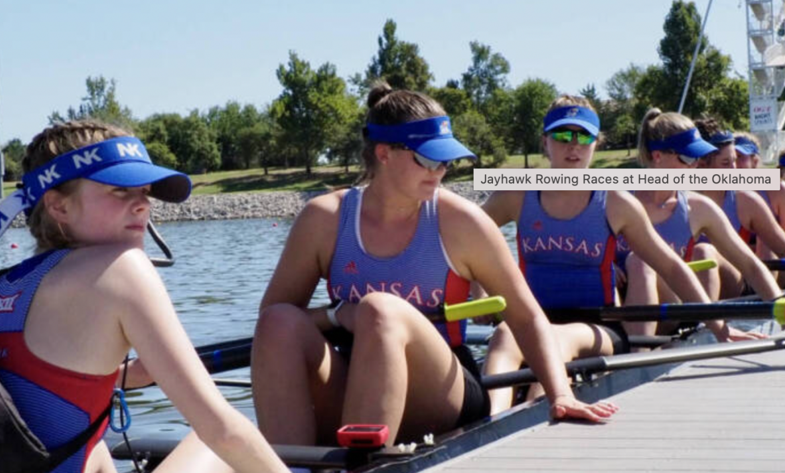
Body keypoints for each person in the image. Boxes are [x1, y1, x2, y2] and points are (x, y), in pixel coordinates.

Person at [250, 84, 615, 448]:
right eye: (428, 159)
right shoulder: (324, 218)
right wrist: (339, 316)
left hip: (444, 392)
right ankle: (288, 463)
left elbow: (527, 317)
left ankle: (360, 461)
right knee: (278, 323)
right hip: (351, 372)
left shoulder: (461, 222)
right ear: (384, 153)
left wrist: (560, 396)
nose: (440, 171)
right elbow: (277, 317)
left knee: (381, 310)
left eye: (446, 160)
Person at [0, 120, 288, 473]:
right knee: (217, 445)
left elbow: (43, 388)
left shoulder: (0, 287)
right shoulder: (123, 269)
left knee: (96, 450)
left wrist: (124, 375)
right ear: (59, 207)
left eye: (145, 191)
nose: (143, 206)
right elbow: (223, 433)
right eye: (120, 191)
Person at [479, 98, 750, 413]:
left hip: (599, 326)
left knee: (552, 338)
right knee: (503, 334)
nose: (574, 146)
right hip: (533, 321)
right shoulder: (516, 193)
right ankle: (491, 421)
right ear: (545, 142)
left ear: (596, 143)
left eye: (584, 137)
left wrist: (719, 327)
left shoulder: (617, 202)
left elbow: (673, 267)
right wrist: (478, 286)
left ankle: (538, 412)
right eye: (563, 136)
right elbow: (463, 240)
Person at [624, 110, 782, 337]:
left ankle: (639, 358)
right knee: (638, 263)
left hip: (673, 308)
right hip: (618, 310)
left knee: (643, 262)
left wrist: (783, 309)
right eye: (688, 158)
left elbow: (750, 265)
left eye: (698, 158)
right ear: (657, 156)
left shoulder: (699, 208)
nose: (695, 166)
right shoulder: (617, 201)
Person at [694, 121, 785, 288]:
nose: (735, 171)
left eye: (735, 161)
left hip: (741, 280)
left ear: (755, 162)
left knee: (704, 252)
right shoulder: (673, 197)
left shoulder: (747, 200)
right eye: (726, 164)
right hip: (686, 281)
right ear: (700, 166)